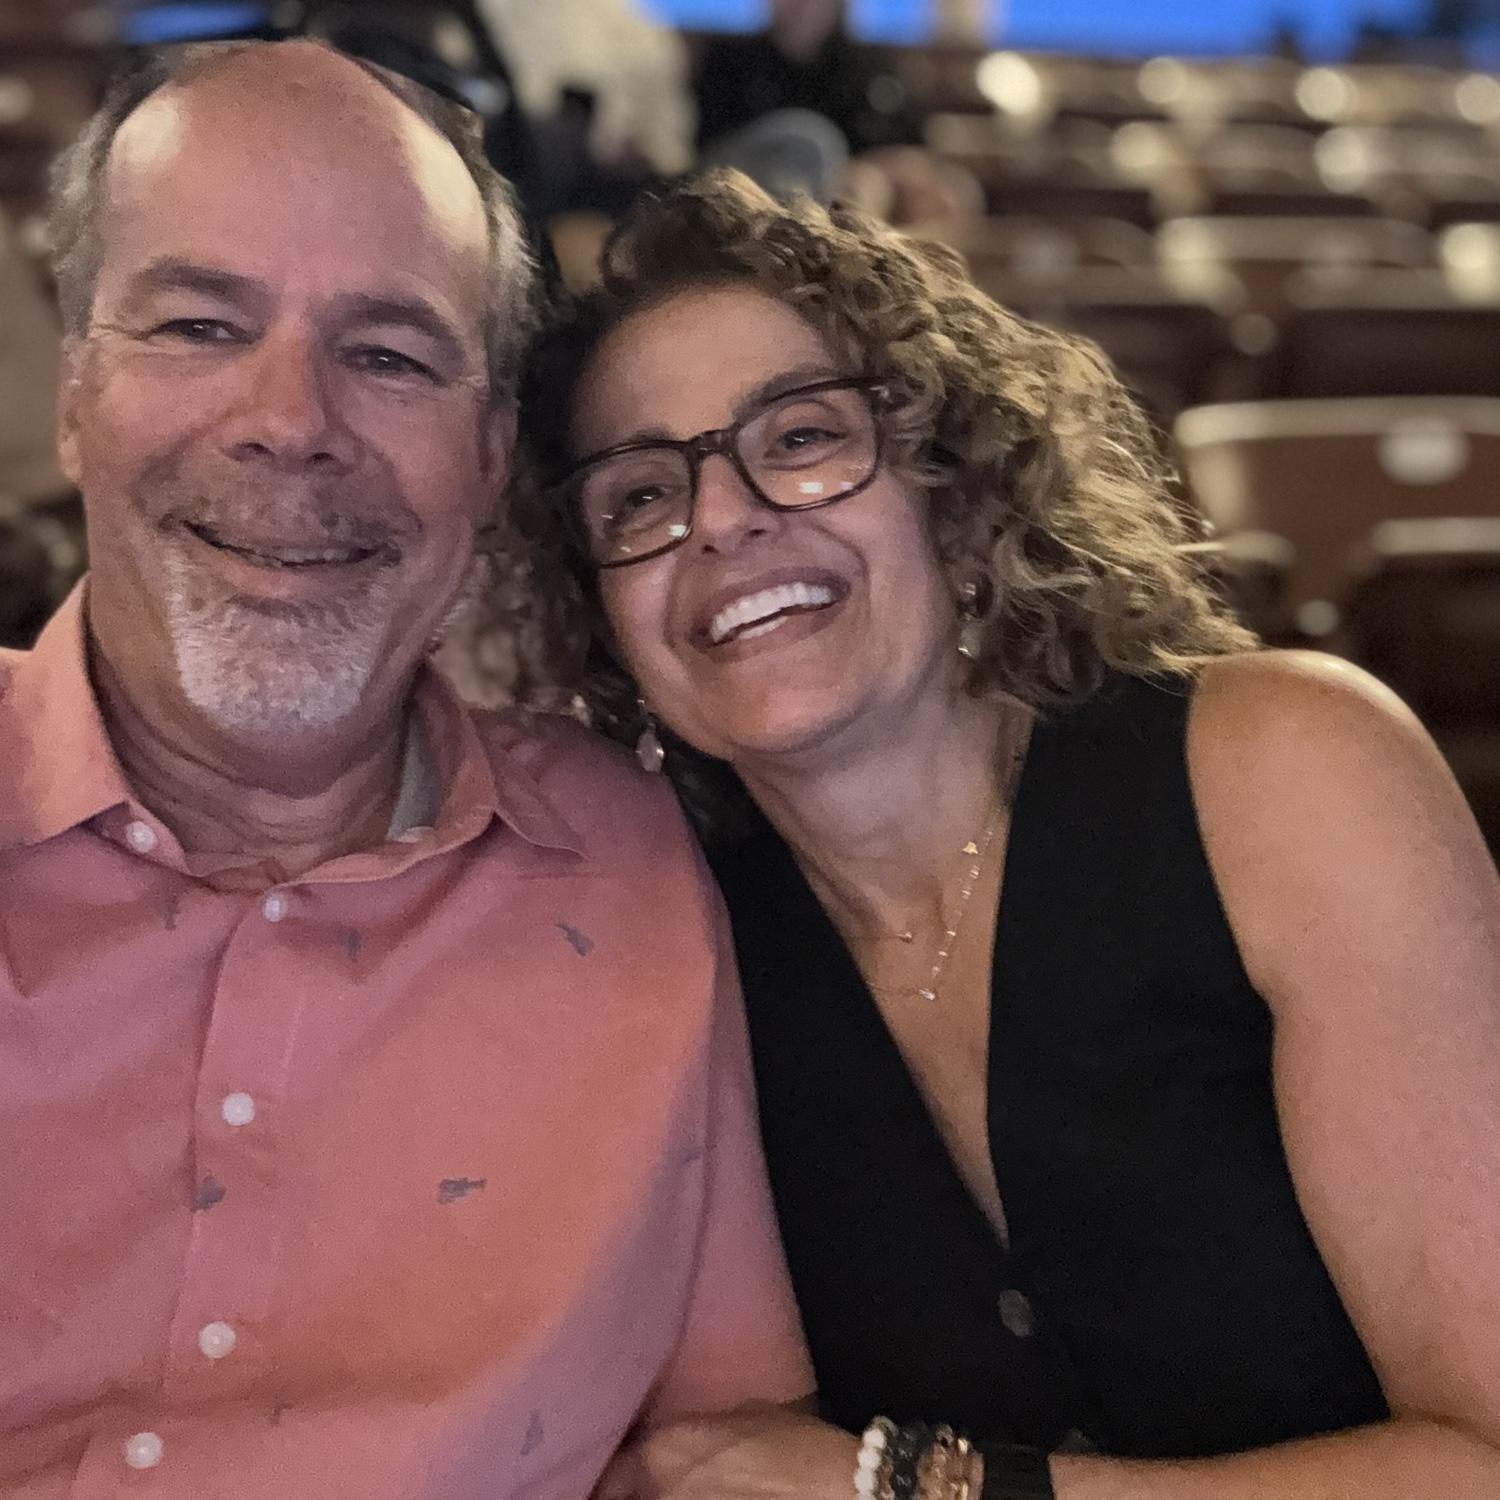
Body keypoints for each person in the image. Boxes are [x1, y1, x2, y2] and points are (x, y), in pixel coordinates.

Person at [496, 169, 1500, 1498]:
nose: (724, 518)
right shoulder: (658, 941)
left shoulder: (1288, 773)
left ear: (955, 496)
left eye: (801, 437)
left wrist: (921, 1488)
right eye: (638, 497)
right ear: (604, 624)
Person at [0, 48, 813, 1496]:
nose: (290, 420)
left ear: (492, 457)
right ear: (76, 394)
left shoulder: (639, 862)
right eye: (198, 325)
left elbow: (732, 1451)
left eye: (389, 356)